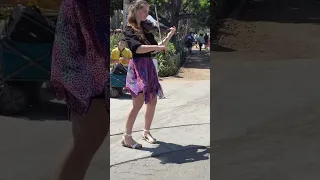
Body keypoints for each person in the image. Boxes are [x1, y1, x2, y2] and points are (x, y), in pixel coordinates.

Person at [50, 0, 109, 179]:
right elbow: (97, 28)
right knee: (85, 146)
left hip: (80, 65)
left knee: (83, 145)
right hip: (89, 68)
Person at [122, 0, 176, 148]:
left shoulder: (145, 29)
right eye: (145, 11)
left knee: (152, 101)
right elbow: (138, 49)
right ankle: (126, 137)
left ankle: (146, 132)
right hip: (138, 67)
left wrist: (169, 34)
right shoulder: (129, 29)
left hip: (149, 67)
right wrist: (156, 47)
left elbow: (157, 47)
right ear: (136, 11)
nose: (147, 14)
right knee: (137, 103)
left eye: (148, 11)